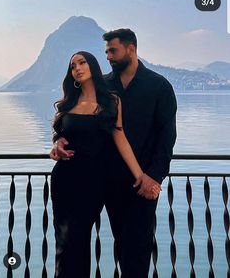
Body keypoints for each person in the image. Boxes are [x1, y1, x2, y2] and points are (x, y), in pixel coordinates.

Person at [50, 29, 177, 278]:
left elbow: (167, 136)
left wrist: (153, 176)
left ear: (131, 49)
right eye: (106, 51)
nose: (108, 56)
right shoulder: (103, 86)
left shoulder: (159, 86)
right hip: (100, 182)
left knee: (136, 250)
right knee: (76, 242)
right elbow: (77, 125)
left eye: (113, 51)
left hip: (139, 183)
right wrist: (57, 142)